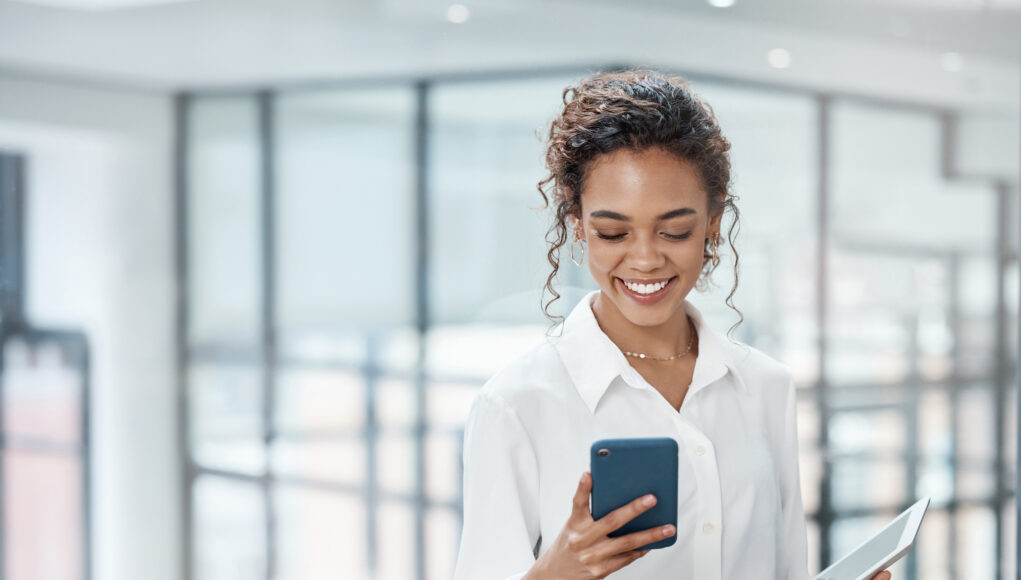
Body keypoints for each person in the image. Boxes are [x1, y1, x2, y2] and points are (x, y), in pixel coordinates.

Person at [451, 69, 893, 580]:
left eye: (675, 231)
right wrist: (555, 573)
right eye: (613, 233)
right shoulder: (517, 405)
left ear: (712, 222)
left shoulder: (767, 388)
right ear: (577, 222)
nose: (645, 260)